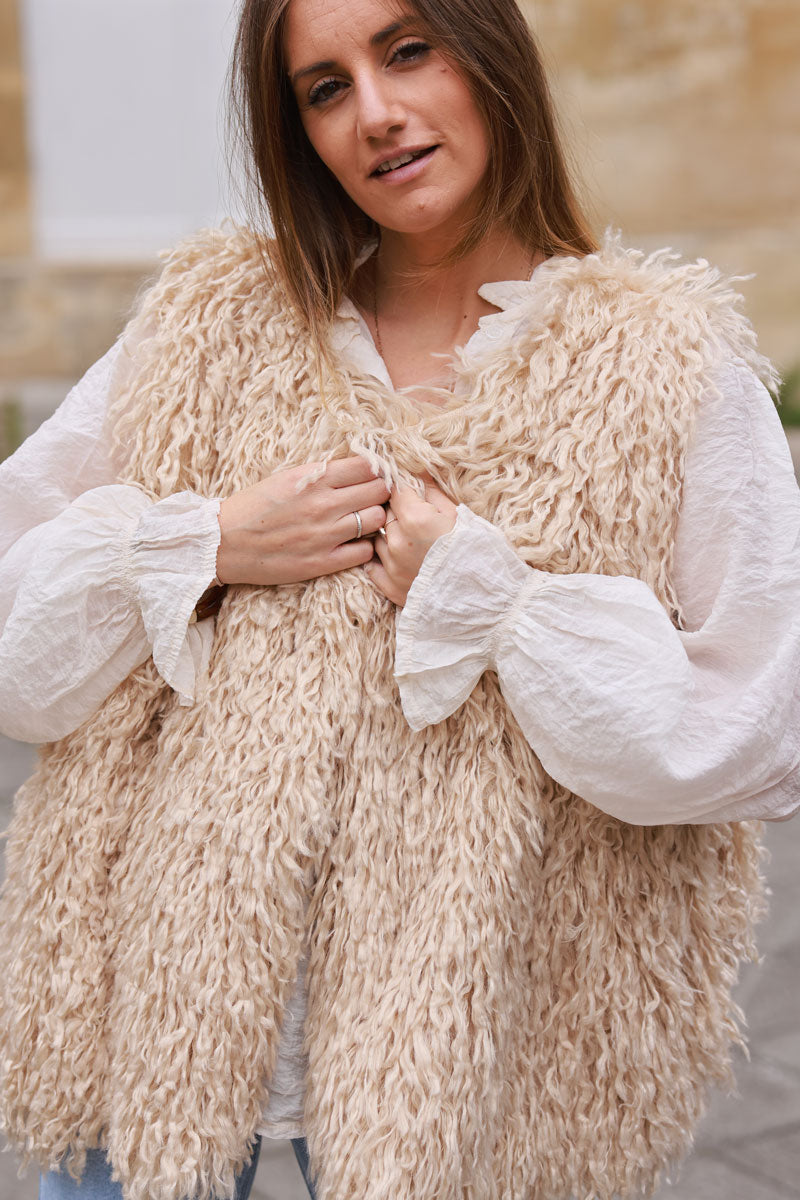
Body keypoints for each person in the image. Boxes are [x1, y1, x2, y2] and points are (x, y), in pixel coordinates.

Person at [1, 0, 798, 1198]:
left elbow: (748, 728)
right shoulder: (215, 324)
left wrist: (493, 602)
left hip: (469, 1080)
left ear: (488, 56)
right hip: (154, 1045)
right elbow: (20, 641)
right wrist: (207, 540)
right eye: (323, 89)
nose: (373, 114)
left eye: (406, 50)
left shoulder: (663, 365)